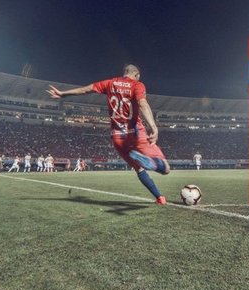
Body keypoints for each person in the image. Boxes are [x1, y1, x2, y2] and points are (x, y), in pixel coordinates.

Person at [47, 64, 170, 205]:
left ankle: (160, 198)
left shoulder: (110, 83)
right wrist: (153, 126)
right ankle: (153, 164)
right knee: (166, 168)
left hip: (117, 138)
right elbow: (143, 104)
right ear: (137, 75)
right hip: (135, 134)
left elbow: (86, 89)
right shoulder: (137, 85)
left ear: (124, 73)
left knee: (139, 169)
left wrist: (63, 94)